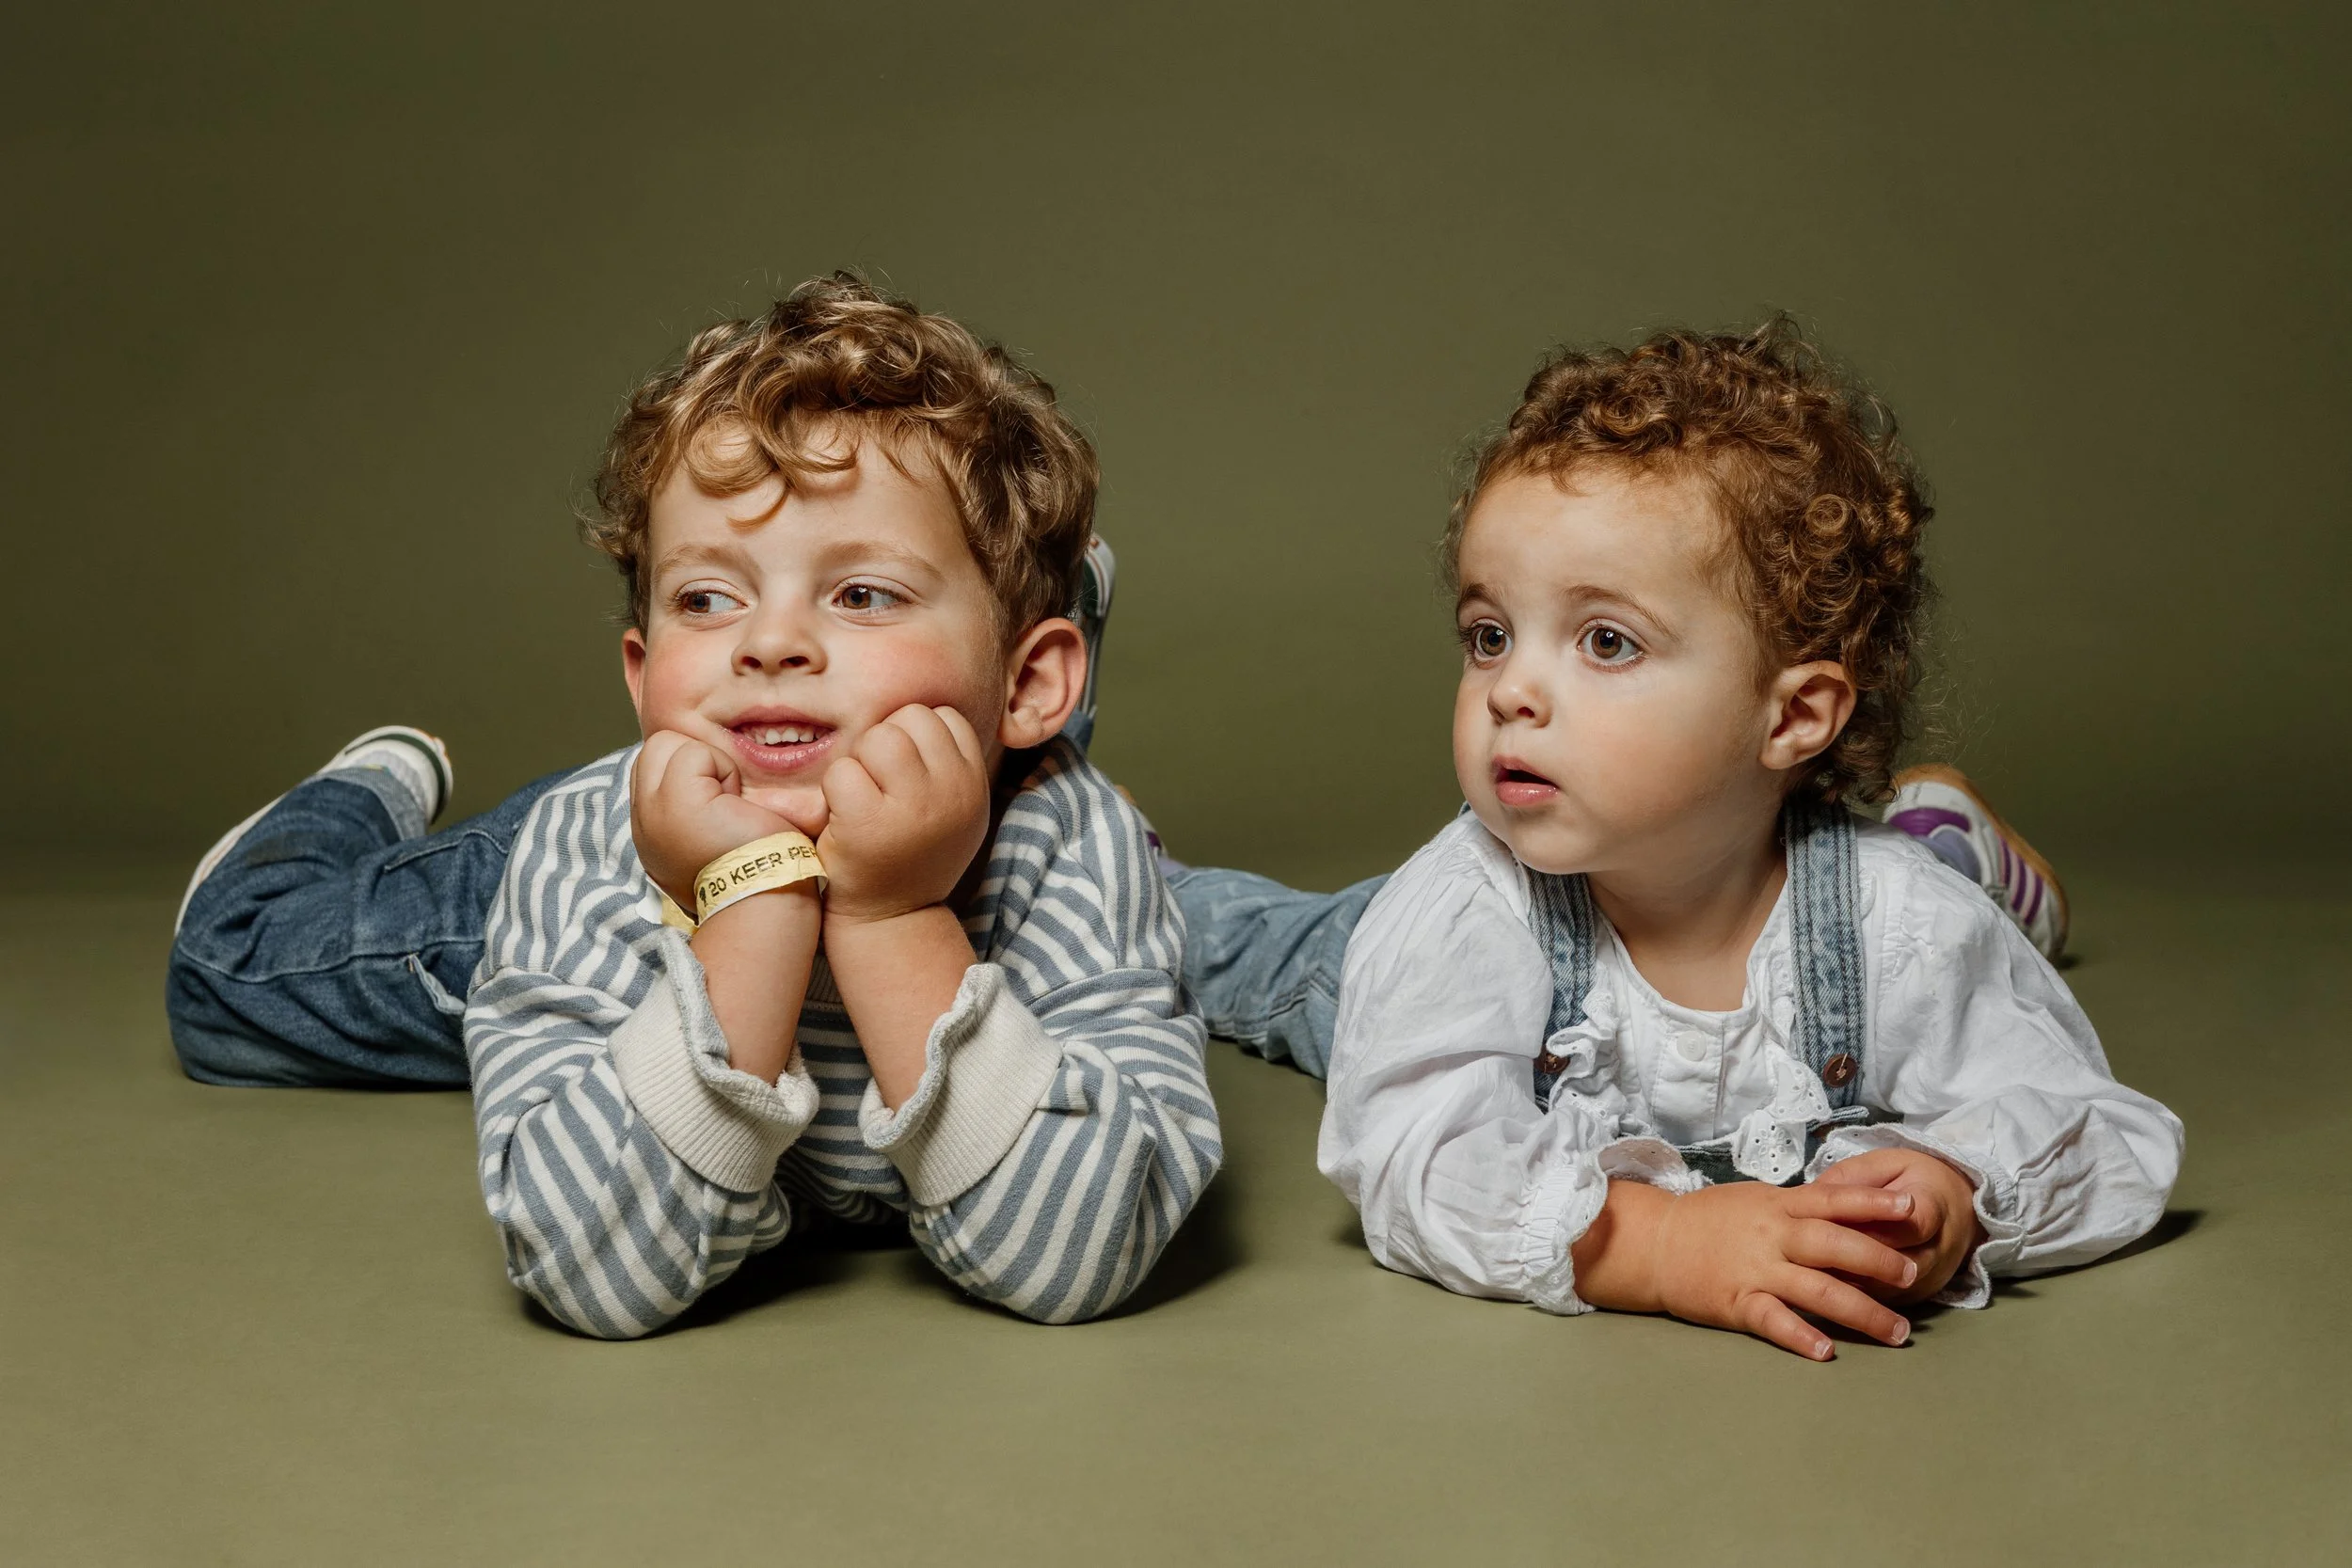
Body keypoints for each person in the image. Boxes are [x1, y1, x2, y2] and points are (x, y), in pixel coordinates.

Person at [167, 276, 1216, 1337]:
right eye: (706, 599)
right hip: (606, 869)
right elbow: (588, 1266)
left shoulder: (1076, 848)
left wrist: (893, 917)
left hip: (988, 783)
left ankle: (1033, 622)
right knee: (234, 966)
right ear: (642, 669)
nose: (765, 642)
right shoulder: (580, 850)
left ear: (1035, 680)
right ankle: (351, 797)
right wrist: (751, 895)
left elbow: (1082, 1249)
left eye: (861, 593)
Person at [1168, 321, 2181, 1359]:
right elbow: (1416, 1159)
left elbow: (2105, 1131)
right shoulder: (1456, 911)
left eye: (1605, 640)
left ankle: (1949, 848)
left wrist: (1959, 1192)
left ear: (1791, 718)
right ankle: (1129, 867)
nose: (1510, 690)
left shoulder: (1896, 923)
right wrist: (1655, 1244)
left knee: (1933, 900)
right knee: (1259, 950)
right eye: (1488, 635)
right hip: (1436, 955)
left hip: (1861, 873)